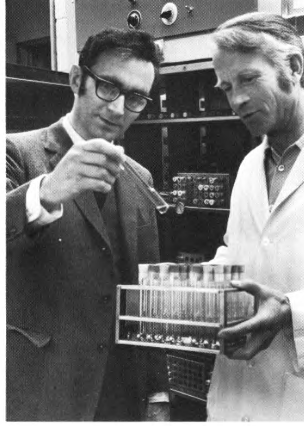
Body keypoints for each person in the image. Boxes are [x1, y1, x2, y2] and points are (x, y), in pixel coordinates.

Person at [6, 28, 170, 421]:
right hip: (43, 390)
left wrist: (158, 391)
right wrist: (44, 192)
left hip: (121, 396)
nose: (118, 109)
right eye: (108, 87)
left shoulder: (139, 178)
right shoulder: (15, 152)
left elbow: (145, 293)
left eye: (135, 98)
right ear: (77, 80)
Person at [207, 12, 304, 421]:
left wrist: (292, 312)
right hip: (236, 398)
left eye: (247, 79)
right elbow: (238, 250)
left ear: (292, 68)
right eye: (226, 87)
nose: (235, 99)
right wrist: (201, 285)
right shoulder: (248, 167)